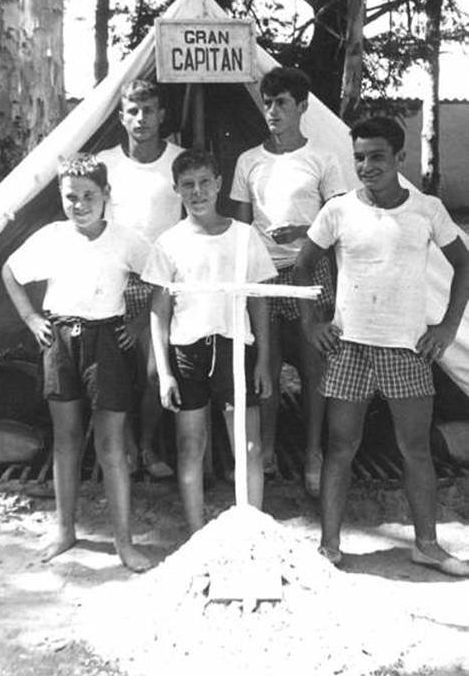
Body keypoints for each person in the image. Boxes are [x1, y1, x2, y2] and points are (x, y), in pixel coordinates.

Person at [293, 116, 469, 575]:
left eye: (377, 157)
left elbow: (463, 264)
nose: (367, 166)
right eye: (359, 157)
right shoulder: (338, 210)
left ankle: (426, 545)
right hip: (350, 347)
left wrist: (447, 327)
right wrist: (312, 325)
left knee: (415, 449)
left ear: (400, 158)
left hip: (407, 348)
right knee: (340, 447)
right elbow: (303, 265)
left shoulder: (427, 210)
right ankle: (329, 547)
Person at [2, 154, 152, 572]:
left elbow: (162, 278)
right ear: (61, 197)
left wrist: (138, 323)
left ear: (106, 195)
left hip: (107, 341)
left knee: (110, 444)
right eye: (71, 197)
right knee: (66, 438)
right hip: (61, 340)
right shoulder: (51, 237)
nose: (80, 204)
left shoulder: (125, 239)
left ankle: (124, 542)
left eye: (89, 195)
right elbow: (10, 271)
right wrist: (31, 318)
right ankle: (65, 530)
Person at [142, 148, 276, 533]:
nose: (197, 192)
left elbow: (258, 300)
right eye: (188, 185)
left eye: (204, 182)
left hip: (235, 348)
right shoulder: (169, 242)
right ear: (176, 190)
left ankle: (252, 530)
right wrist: (165, 373)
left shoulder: (244, 236)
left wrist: (263, 360)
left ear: (218, 184)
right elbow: (159, 311)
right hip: (189, 352)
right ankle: (197, 532)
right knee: (190, 445)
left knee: (247, 445)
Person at [230, 66, 346, 495]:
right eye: (267, 103)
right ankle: (267, 450)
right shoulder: (249, 161)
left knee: (314, 365)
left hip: (308, 271)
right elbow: (241, 229)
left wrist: (303, 231)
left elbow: (340, 225)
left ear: (302, 106)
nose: (272, 111)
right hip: (264, 274)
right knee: (268, 364)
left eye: (281, 103)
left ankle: (313, 452)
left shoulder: (323, 160)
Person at [97, 79, 184, 479]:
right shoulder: (106, 163)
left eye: (149, 110)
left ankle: (147, 445)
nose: (141, 118)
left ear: (161, 115)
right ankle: (128, 448)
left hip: (162, 281)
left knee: (153, 372)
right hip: (115, 280)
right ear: (121, 117)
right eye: (133, 111)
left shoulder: (179, 161)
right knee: (112, 371)